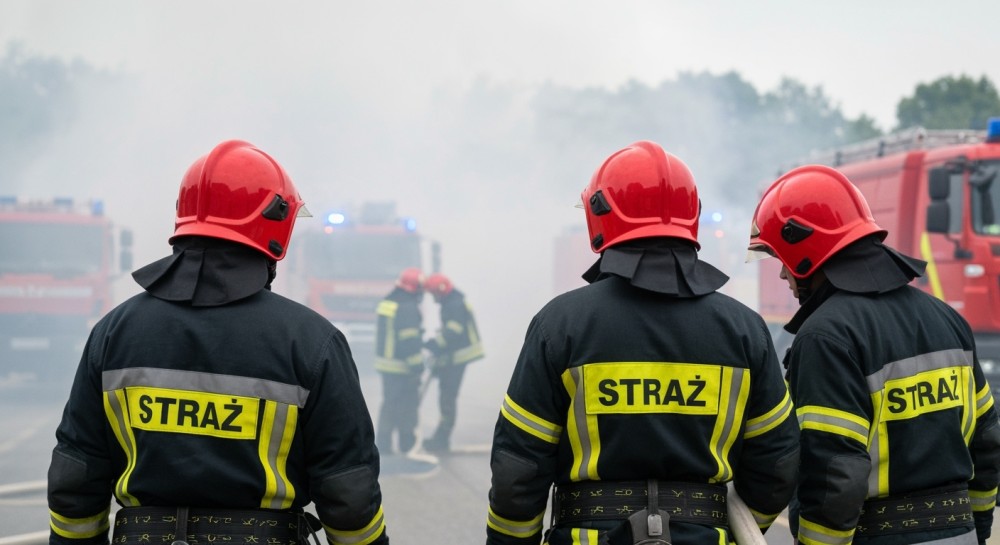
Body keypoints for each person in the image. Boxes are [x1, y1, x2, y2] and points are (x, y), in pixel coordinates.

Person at [46, 140, 389, 545]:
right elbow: (348, 494)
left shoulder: (113, 332)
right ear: (277, 222)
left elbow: (75, 478)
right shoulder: (312, 341)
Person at [485, 140, 800, 545]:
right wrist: (717, 525)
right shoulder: (745, 330)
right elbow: (778, 463)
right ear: (692, 218)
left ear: (600, 216)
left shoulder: (559, 325)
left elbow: (518, 469)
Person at [746, 164, 1000, 545]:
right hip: (960, 533)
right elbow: (988, 442)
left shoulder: (826, 338)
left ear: (805, 249)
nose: (782, 275)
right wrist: (978, 531)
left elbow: (837, 474)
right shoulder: (947, 318)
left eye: (781, 258)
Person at [422, 273, 485, 453]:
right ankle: (441, 437)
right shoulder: (453, 301)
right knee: (446, 397)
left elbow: (453, 332)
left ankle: (442, 439)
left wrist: (435, 344)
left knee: (447, 398)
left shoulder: (453, 304)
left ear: (440, 292)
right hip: (455, 356)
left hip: (459, 357)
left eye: (433, 294)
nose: (433, 299)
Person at [374, 267, 427, 457]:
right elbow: (409, 340)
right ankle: (406, 443)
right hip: (401, 366)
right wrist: (417, 366)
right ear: (415, 287)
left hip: (386, 364)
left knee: (389, 403)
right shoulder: (407, 306)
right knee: (408, 405)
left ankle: (384, 444)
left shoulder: (390, 301)